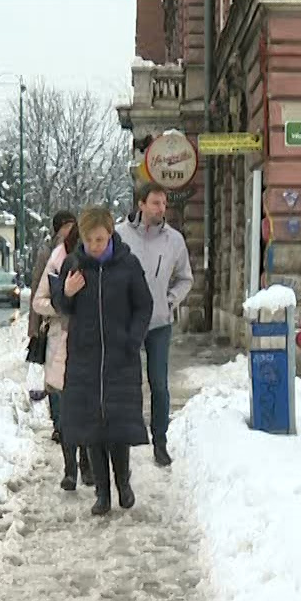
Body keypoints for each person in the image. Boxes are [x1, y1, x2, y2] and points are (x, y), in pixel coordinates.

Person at [51, 206, 153, 516]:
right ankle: (102, 493)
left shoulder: (128, 265)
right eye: (90, 240)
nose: (95, 246)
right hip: (85, 358)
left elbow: (143, 305)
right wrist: (66, 292)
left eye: (100, 239)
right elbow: (60, 305)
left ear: (110, 235)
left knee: (117, 424)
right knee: (91, 427)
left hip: (120, 357)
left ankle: (123, 483)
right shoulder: (74, 265)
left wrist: (132, 339)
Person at [115, 182, 193, 468]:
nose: (162, 209)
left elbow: (186, 278)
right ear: (141, 204)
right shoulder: (120, 235)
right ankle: (126, 438)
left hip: (160, 322)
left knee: (159, 384)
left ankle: (160, 441)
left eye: (164, 204)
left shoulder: (174, 240)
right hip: (127, 322)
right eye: (156, 203)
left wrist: (170, 300)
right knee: (128, 383)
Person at [32, 211, 91, 492]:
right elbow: (38, 301)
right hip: (63, 341)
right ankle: (70, 468)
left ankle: (88, 462)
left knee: (89, 408)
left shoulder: (102, 264)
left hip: (92, 342)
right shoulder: (56, 261)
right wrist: (60, 304)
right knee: (67, 410)